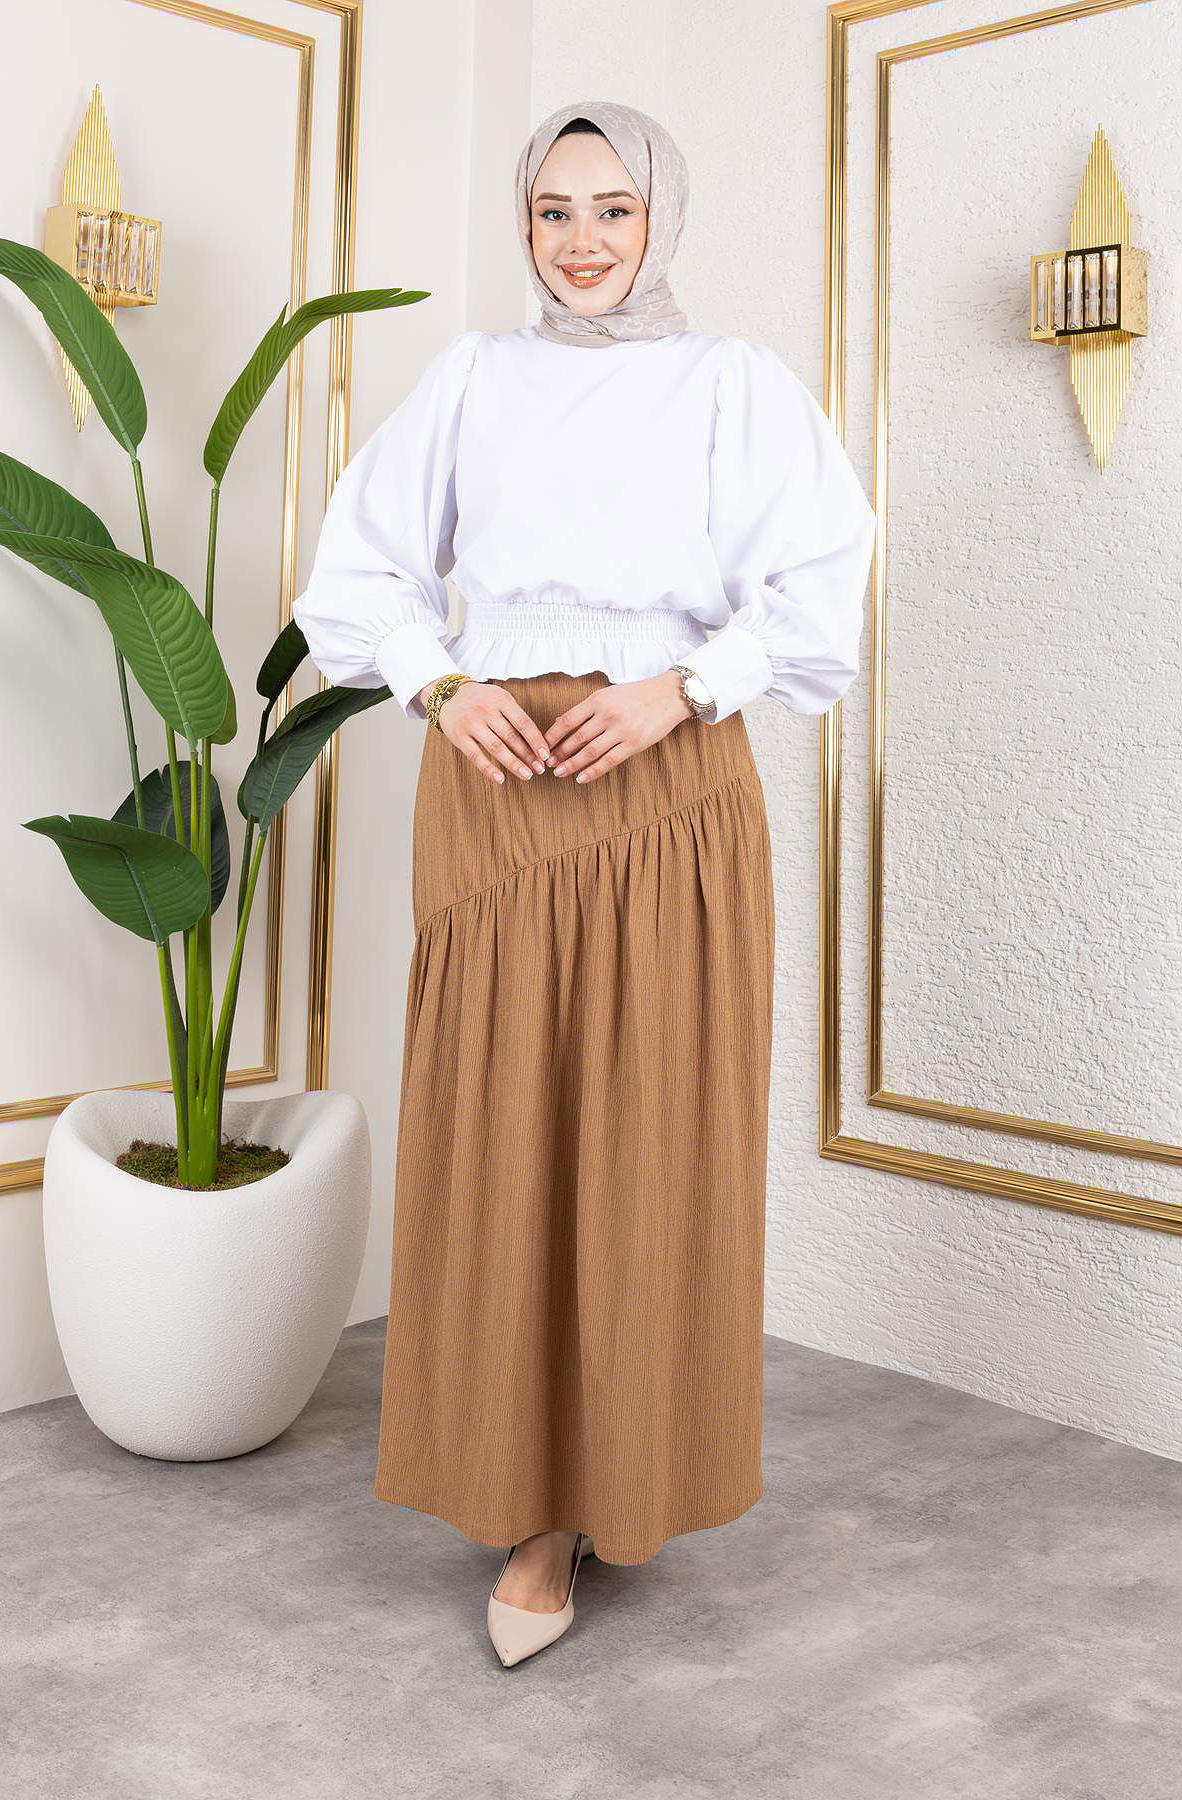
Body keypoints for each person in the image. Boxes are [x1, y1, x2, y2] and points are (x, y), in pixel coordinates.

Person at [292, 98, 877, 1668]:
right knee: (503, 1134)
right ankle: (530, 1516)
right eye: (554, 210)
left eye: (614, 208)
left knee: (651, 1131)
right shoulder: (472, 380)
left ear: (661, 217)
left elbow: (822, 584)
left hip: (667, 786)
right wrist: (440, 687)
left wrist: (680, 690)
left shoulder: (733, 384)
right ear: (525, 224)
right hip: (496, 794)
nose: (583, 240)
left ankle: (633, 1472)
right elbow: (357, 571)